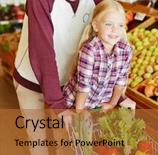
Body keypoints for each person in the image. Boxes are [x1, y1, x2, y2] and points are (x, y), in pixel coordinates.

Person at [13, 0, 100, 154]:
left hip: (67, 83)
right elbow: (43, 54)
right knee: (38, 144)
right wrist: (58, 105)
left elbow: (109, 30)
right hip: (31, 81)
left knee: (65, 145)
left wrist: (118, 91)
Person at [62, 0, 133, 112]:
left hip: (99, 104)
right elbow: (83, 87)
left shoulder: (125, 50)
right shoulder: (90, 50)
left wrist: (112, 103)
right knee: (70, 128)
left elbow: (121, 81)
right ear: (95, 26)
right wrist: (80, 112)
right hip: (76, 104)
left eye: (120, 25)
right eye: (109, 24)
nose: (115, 30)